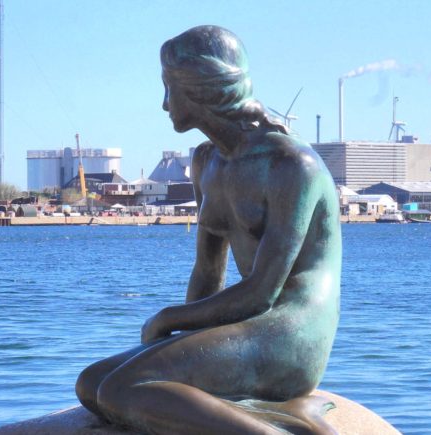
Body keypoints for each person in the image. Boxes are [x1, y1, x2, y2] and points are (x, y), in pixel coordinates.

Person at [75, 25, 342, 435]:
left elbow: (262, 292)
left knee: (122, 389)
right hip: (246, 328)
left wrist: (169, 319)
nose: (165, 103)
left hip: (291, 333)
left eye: (169, 88)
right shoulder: (206, 162)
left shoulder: (291, 166)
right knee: (92, 383)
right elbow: (207, 273)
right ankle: (252, 416)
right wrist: (177, 345)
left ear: (200, 88)